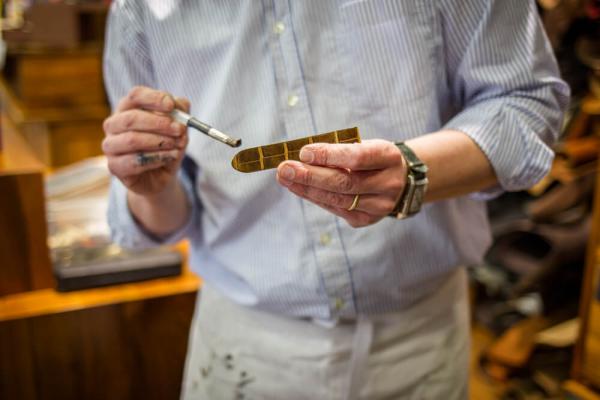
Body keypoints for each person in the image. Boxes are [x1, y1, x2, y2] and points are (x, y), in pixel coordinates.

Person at [102, 1, 569, 399]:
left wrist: (413, 170)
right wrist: (151, 187)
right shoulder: (142, 11)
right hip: (243, 351)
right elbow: (164, 211)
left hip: (419, 341)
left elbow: (527, 103)